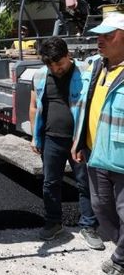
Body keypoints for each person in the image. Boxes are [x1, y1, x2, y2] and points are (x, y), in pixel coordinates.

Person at [28, 37, 103, 248]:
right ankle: (53, 223)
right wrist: (35, 135)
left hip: (79, 139)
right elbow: (34, 106)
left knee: (85, 184)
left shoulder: (86, 72)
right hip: (51, 139)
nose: (55, 68)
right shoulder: (40, 75)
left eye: (58, 63)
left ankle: (88, 226)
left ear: (68, 55)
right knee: (50, 183)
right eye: (50, 64)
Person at [72, 13, 124, 275]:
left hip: (122, 157)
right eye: (98, 36)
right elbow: (84, 106)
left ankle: (121, 260)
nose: (100, 41)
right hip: (96, 154)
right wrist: (78, 140)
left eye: (108, 35)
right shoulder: (95, 66)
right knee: (101, 208)